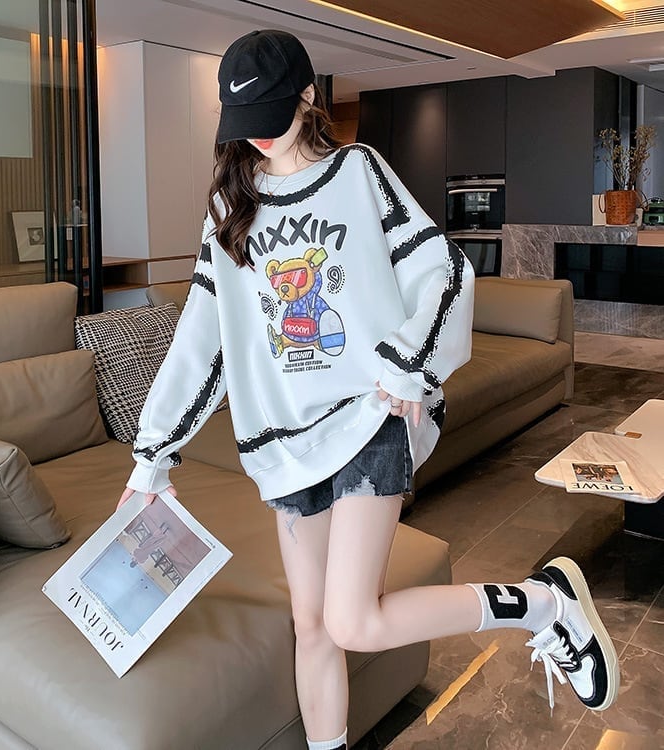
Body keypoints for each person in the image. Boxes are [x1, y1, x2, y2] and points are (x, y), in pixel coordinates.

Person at [118, 29, 619, 750]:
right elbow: (203, 337)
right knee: (313, 627)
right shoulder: (230, 209)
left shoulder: (359, 172)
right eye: (245, 122)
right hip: (284, 443)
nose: (259, 136)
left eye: (272, 115)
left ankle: (543, 605)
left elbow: (444, 271)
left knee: (353, 620)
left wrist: (407, 363)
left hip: (368, 417)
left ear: (308, 96)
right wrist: (152, 455)